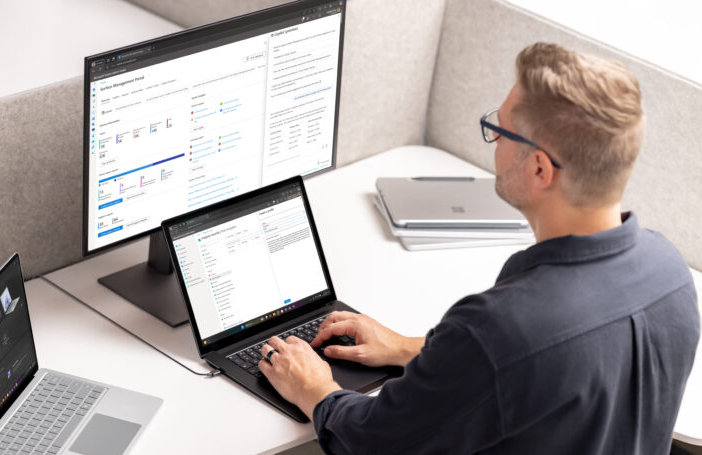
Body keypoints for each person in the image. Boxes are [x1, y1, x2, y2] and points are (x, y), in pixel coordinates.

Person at [258, 42, 700, 454]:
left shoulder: (499, 329)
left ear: (540, 168)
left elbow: (376, 441)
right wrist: (407, 348)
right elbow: (526, 372)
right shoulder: (672, 275)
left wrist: (314, 390)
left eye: (499, 131)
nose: (494, 142)